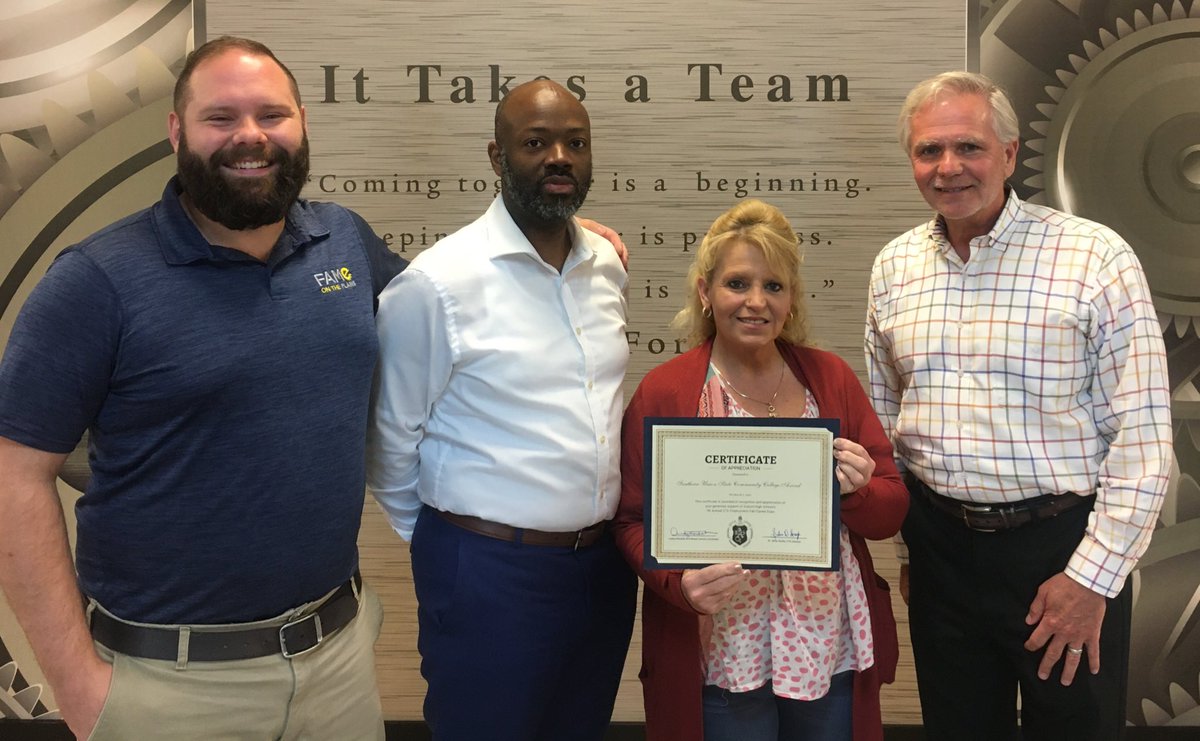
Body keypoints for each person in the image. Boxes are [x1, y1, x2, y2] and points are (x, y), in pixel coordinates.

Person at [0, 37, 411, 740]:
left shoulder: (344, 242)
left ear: (303, 123)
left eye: (271, 115)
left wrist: (552, 238)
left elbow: (453, 306)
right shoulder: (96, 281)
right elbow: (14, 475)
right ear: (176, 131)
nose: (250, 135)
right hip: (167, 685)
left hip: (338, 665)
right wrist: (74, 681)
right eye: (220, 117)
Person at [866, 71, 1172, 740]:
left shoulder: (1094, 257)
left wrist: (1091, 579)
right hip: (942, 551)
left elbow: (1143, 439)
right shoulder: (894, 267)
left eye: (969, 147)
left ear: (1008, 153)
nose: (948, 167)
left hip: (1061, 548)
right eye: (928, 150)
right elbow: (889, 421)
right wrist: (913, 554)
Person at [367, 79, 636, 741]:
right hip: (488, 573)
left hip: (601, 568)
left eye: (575, 143)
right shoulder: (438, 283)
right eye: (536, 143)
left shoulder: (605, 263)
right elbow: (390, 436)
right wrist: (447, 542)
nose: (559, 158)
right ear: (497, 156)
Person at [614, 199, 908, 741]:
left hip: (825, 645)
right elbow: (631, 521)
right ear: (705, 292)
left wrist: (858, 490)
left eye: (774, 286)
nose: (756, 301)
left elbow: (890, 510)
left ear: (791, 298)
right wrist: (678, 586)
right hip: (724, 649)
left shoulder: (831, 378)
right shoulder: (666, 391)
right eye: (737, 284)